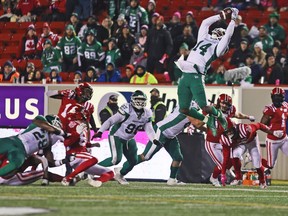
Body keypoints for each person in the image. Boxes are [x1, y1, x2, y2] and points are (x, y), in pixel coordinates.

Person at [175, 8, 240, 134]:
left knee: (205, 106)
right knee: (183, 109)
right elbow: (205, 23)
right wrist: (220, 16)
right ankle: (207, 120)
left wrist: (232, 20)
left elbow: (227, 36)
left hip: (196, 76)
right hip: (185, 74)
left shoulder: (218, 48)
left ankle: (220, 116)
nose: (216, 32)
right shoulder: (203, 38)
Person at [114, 102, 204, 185]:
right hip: (161, 131)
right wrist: (209, 115)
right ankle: (121, 171)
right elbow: (197, 123)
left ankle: (172, 180)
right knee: (145, 156)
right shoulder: (189, 107)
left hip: (170, 135)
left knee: (178, 157)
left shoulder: (187, 104)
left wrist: (210, 130)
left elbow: (197, 123)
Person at [93, 90, 161, 184]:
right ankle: (91, 169)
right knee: (115, 160)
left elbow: (149, 128)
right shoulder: (127, 109)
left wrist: (154, 139)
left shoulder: (147, 113)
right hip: (117, 135)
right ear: (132, 100)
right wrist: (100, 131)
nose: (140, 102)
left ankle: (120, 174)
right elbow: (110, 120)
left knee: (133, 161)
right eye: (138, 99)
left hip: (129, 138)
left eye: (142, 100)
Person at [205, 94, 255, 187]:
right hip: (212, 142)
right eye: (223, 103)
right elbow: (201, 118)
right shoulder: (212, 110)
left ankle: (233, 176)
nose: (224, 105)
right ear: (219, 102)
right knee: (221, 164)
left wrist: (248, 117)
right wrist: (193, 126)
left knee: (234, 158)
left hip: (223, 140)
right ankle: (214, 178)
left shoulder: (231, 110)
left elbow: (237, 115)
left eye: (227, 104)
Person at [220, 119, 283, 189]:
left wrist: (272, 132)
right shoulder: (225, 139)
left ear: (234, 127)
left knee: (257, 163)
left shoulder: (245, 129)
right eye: (226, 132)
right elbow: (226, 157)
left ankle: (262, 181)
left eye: (229, 131)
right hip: (241, 144)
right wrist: (223, 173)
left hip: (251, 141)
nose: (228, 134)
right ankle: (238, 177)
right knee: (234, 154)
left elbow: (259, 125)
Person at [0, 114, 67, 177]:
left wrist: (65, 160)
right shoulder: (40, 120)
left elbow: (50, 162)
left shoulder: (49, 141)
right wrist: (60, 132)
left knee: (17, 163)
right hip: (14, 141)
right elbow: (43, 124)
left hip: (22, 152)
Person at [260, 87, 288, 170]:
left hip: (284, 139)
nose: (277, 99)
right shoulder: (270, 109)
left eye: (279, 97)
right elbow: (261, 125)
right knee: (270, 165)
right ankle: (253, 158)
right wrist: (273, 132)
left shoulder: (286, 105)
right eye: (275, 97)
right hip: (273, 141)